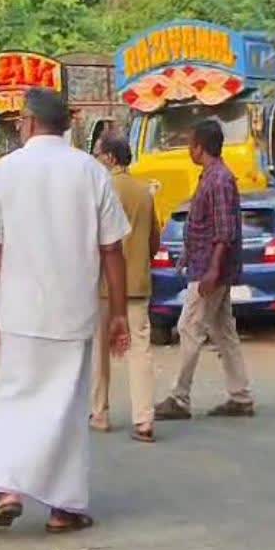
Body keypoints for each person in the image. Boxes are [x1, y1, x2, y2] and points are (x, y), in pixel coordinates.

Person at [0, 88, 132, 533]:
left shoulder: (5, 172)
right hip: (73, 309)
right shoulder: (90, 171)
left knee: (13, 400)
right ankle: (63, 508)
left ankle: (7, 489)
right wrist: (117, 312)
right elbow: (112, 249)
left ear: (28, 121)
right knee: (65, 405)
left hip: (19, 311)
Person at [154, 120, 254, 420]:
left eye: (190, 143)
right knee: (223, 331)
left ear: (200, 146)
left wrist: (211, 271)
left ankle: (179, 398)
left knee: (189, 327)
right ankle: (240, 395)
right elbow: (208, 226)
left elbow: (223, 232)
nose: (188, 148)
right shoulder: (212, 177)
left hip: (211, 271)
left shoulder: (219, 180)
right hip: (209, 267)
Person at [90, 136, 159, 442]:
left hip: (105, 285)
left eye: (98, 155)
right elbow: (153, 239)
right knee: (139, 352)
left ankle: (100, 412)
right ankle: (144, 420)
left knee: (99, 353)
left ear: (109, 158)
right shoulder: (145, 191)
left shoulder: (103, 189)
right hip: (137, 284)